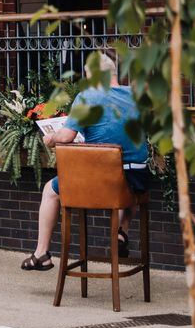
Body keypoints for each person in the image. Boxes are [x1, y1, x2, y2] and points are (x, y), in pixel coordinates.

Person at [22, 52, 151, 271]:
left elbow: (66, 137)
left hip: (101, 182)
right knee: (125, 180)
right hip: (137, 180)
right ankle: (121, 234)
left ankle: (41, 253)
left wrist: (51, 137)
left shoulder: (88, 97)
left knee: (50, 191)